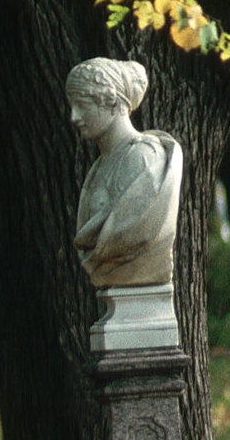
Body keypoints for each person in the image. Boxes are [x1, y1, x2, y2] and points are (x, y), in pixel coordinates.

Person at [68, 57, 182, 288]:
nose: (74, 116)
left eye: (82, 105)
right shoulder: (100, 167)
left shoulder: (145, 159)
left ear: (110, 100)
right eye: (72, 106)